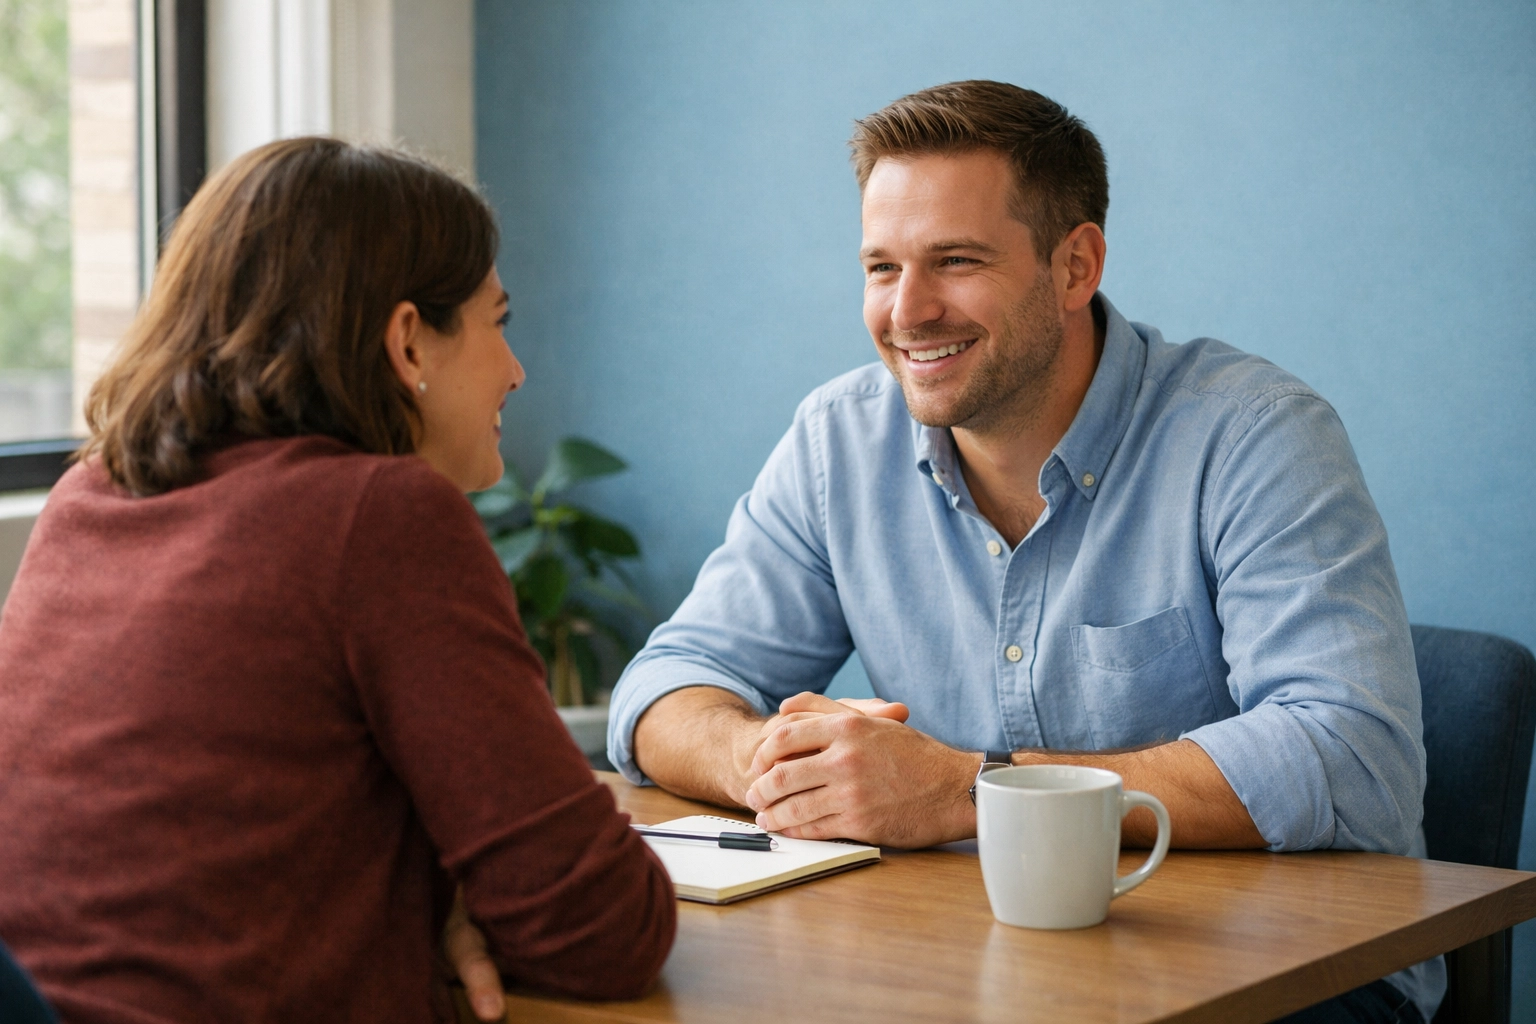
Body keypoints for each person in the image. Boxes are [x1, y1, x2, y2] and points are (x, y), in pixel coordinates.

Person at [605, 82, 1441, 1023]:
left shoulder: (1253, 435)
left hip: (1281, 972)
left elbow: (1351, 755)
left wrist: (970, 788)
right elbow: (666, 687)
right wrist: (777, 761)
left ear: (1076, 265)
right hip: (964, 967)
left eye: (955, 261)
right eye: (882, 268)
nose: (907, 311)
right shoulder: (838, 440)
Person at [0, 137, 675, 1023]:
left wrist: (432, 895)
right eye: (497, 321)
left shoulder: (89, 496)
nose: (515, 370)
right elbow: (601, 931)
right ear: (407, 343)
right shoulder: (378, 515)